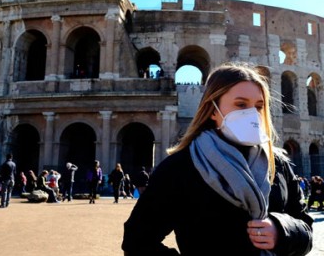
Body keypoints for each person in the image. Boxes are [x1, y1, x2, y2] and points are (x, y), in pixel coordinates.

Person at [122, 63, 313, 255]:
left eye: (259, 106)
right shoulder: (180, 167)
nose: (252, 114)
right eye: (241, 105)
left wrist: (282, 230)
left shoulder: (277, 163)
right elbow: (137, 241)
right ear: (213, 110)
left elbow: (305, 227)